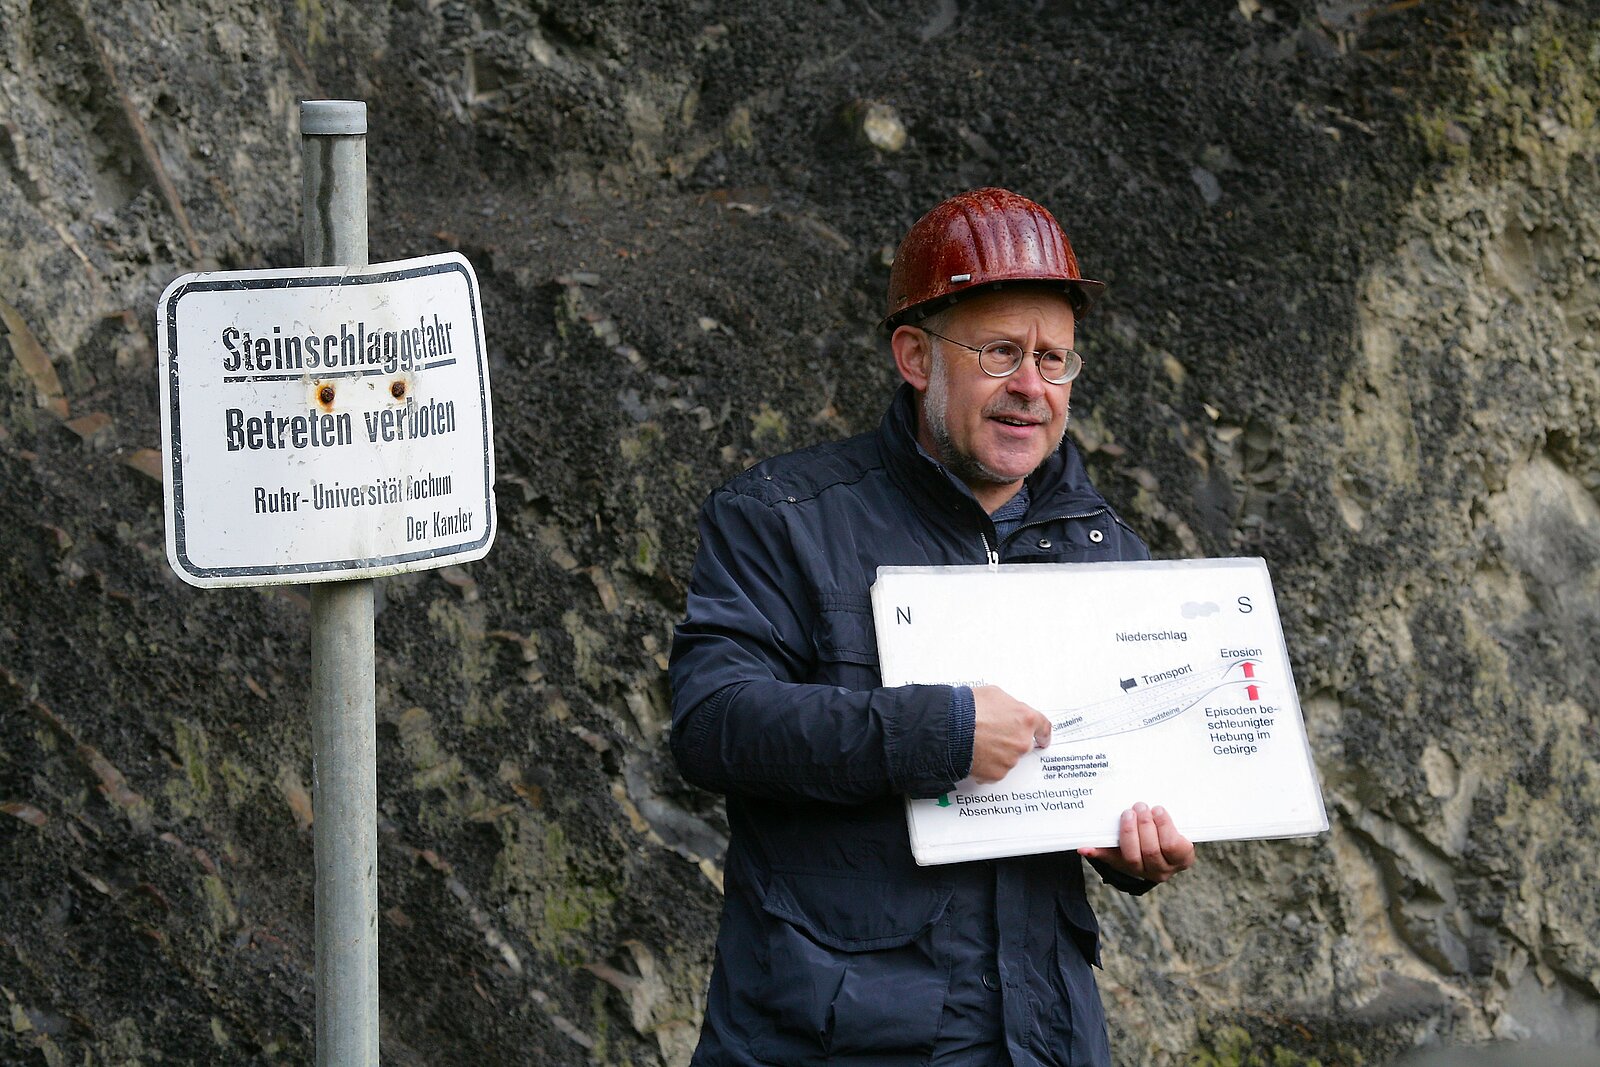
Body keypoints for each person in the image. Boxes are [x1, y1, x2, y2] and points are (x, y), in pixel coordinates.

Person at [669, 187, 1197, 1067]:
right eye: (1000, 352)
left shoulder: (1107, 552)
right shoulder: (782, 518)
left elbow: (1123, 782)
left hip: (1043, 1036)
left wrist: (1139, 848)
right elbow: (713, 726)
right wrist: (940, 729)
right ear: (915, 355)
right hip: (830, 1037)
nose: (1032, 386)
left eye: (1054, 359)